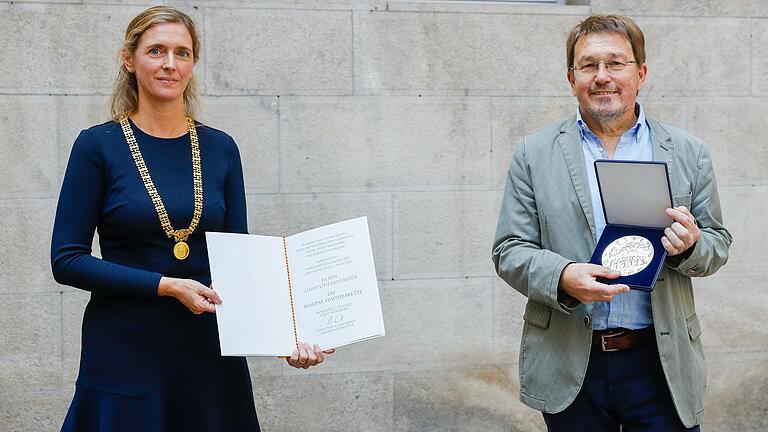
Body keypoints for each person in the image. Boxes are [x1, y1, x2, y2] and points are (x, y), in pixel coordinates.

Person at [51, 6, 332, 431]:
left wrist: (283, 338)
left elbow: (242, 261)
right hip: (124, 353)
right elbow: (67, 259)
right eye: (157, 51)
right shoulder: (96, 146)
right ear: (129, 60)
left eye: (182, 53)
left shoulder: (221, 148)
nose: (170, 64)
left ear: (193, 63)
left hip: (209, 355)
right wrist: (165, 286)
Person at [492, 14, 731, 432]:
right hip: (570, 361)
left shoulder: (689, 151)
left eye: (616, 63)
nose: (603, 76)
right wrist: (563, 276)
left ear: (640, 72)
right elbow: (509, 249)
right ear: (572, 78)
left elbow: (718, 243)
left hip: (660, 361)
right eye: (589, 65)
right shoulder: (533, 153)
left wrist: (691, 246)